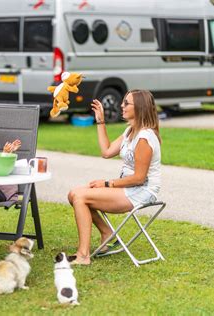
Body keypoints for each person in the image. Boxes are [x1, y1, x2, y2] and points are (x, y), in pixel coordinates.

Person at [67, 90, 161, 265]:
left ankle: (83, 255)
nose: (121, 106)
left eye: (126, 103)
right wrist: (100, 120)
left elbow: (140, 178)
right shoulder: (130, 131)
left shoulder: (144, 137)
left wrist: (108, 183)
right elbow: (107, 151)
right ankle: (107, 233)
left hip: (142, 190)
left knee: (81, 197)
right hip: (127, 187)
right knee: (73, 194)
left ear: (139, 108)